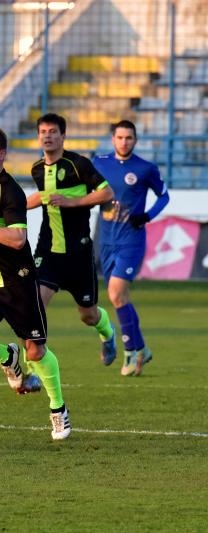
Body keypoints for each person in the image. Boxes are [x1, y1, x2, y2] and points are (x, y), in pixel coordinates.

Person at [0, 127, 70, 441]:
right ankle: (8, 357)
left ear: (2, 154)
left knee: (36, 351)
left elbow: (18, 240)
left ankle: (58, 408)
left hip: (18, 283)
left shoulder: (11, 192)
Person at [27, 113, 118, 365]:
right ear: (38, 137)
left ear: (63, 136)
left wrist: (72, 202)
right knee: (35, 306)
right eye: (43, 132)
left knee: (87, 315)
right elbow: (42, 196)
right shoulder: (36, 169)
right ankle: (33, 369)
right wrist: (12, 208)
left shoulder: (79, 164)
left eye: (53, 132)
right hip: (47, 250)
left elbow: (107, 193)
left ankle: (107, 333)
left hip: (77, 253)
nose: (47, 136)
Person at [93, 120, 169, 376]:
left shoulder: (145, 168)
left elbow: (164, 196)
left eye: (129, 138)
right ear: (112, 139)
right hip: (106, 240)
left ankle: (129, 353)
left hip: (132, 240)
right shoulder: (99, 163)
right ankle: (142, 349)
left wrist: (147, 216)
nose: (124, 142)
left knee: (115, 293)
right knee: (120, 298)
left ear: (135, 140)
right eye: (120, 137)